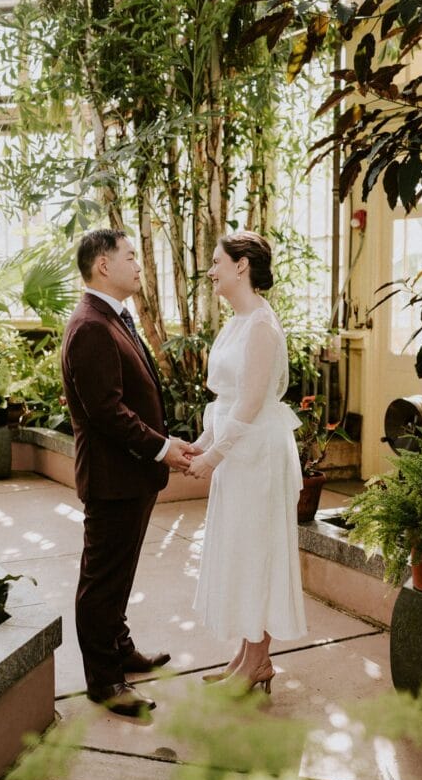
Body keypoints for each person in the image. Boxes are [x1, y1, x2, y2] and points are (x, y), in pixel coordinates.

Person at [61, 229, 196, 717]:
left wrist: (163, 445)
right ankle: (104, 681)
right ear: (103, 265)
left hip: (131, 477)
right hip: (113, 479)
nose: (139, 264)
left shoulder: (112, 316)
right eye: (131, 256)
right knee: (101, 581)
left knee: (119, 574)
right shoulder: (91, 326)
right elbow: (106, 411)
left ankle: (120, 649)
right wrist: (163, 449)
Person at [187, 230, 307, 693]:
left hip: (256, 456)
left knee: (258, 553)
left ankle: (258, 661)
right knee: (239, 551)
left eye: (217, 261)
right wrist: (202, 443)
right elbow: (228, 398)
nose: (212, 270)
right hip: (239, 454)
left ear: (242, 266)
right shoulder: (237, 321)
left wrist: (215, 456)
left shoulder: (261, 324)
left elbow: (252, 401)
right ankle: (244, 657)